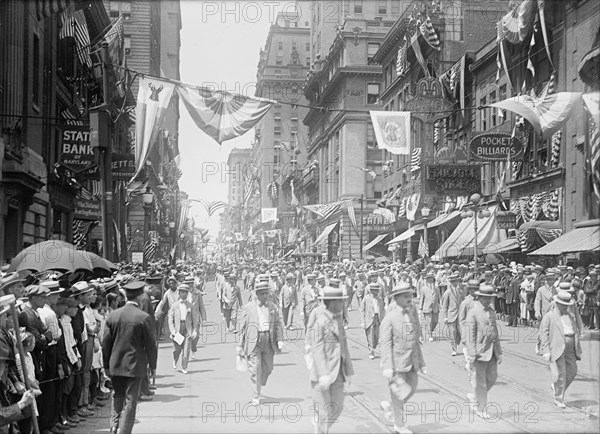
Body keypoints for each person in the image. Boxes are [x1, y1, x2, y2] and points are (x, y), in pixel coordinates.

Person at [102, 280, 157, 434]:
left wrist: (106, 365)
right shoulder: (143, 317)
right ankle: (124, 431)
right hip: (135, 365)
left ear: (125, 295)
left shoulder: (113, 315)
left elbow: (105, 343)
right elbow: (151, 344)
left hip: (115, 364)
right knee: (131, 400)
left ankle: (113, 426)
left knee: (117, 395)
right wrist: (153, 366)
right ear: (140, 297)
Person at [380, 282, 426, 434]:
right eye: (406, 296)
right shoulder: (390, 317)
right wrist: (387, 366)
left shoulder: (411, 313)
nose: (409, 298)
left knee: (411, 388)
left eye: (410, 295)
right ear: (396, 298)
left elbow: (414, 340)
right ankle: (399, 425)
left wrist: (421, 361)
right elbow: (385, 343)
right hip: (397, 362)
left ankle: (391, 407)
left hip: (412, 360)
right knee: (399, 394)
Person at [308, 284, 354, 434]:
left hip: (338, 373)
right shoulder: (319, 323)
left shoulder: (338, 320)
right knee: (323, 413)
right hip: (323, 375)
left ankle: (321, 426)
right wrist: (323, 374)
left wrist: (349, 370)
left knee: (338, 407)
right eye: (341, 301)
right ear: (333, 302)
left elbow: (344, 346)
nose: (343, 304)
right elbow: (317, 350)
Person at [237, 281, 284, 405]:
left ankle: (260, 384)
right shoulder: (248, 307)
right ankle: (255, 394)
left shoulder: (273, 307)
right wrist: (240, 345)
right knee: (255, 369)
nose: (265, 296)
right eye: (262, 293)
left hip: (269, 340)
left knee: (268, 368)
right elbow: (242, 326)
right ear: (256, 294)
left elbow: (278, 324)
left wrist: (280, 339)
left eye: (266, 293)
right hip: (254, 340)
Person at [464, 284, 503, 419]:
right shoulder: (473, 313)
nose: (488, 301)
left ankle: (475, 397)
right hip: (479, 352)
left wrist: (499, 351)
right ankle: (481, 408)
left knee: (492, 378)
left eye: (490, 298)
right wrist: (472, 352)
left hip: (491, 351)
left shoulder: (491, 311)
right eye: (485, 298)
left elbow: (495, 332)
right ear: (479, 297)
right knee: (481, 382)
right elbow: (469, 335)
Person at [539, 290, 582, 408]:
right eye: (563, 305)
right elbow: (544, 334)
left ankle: (556, 387)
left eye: (567, 305)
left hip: (570, 347)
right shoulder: (549, 316)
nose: (565, 307)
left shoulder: (570, 316)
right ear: (557, 304)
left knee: (572, 371)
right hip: (557, 347)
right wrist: (546, 350)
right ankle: (559, 398)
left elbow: (575, 330)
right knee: (561, 373)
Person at [167, 284, 198, 374]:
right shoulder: (174, 305)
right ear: (179, 293)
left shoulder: (190, 305)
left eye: (186, 292)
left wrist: (195, 330)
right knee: (177, 349)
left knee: (186, 348)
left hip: (187, 328)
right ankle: (175, 359)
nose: (184, 294)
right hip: (178, 328)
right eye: (182, 292)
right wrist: (172, 330)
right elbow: (170, 319)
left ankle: (184, 366)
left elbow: (194, 319)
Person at [441, 272, 464, 356]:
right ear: (450, 282)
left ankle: (457, 341)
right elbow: (445, 306)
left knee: (460, 332)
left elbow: (463, 302)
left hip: (460, 315)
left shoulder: (461, 291)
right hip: (451, 315)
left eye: (456, 281)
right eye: (453, 281)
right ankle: (454, 349)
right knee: (452, 332)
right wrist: (445, 317)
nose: (454, 283)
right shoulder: (447, 292)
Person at [360, 282, 385, 360]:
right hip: (369, 319)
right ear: (371, 290)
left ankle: (373, 347)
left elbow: (382, 309)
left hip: (378, 319)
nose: (377, 291)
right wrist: (362, 321)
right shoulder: (366, 298)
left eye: (378, 290)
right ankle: (371, 352)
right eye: (376, 290)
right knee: (370, 337)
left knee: (376, 337)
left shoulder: (379, 298)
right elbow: (362, 309)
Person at [418, 272, 440, 342]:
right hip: (427, 307)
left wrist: (441, 305)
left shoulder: (436, 288)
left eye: (431, 278)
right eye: (429, 278)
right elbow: (422, 299)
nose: (430, 280)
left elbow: (439, 297)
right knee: (429, 321)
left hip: (435, 307)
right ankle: (430, 335)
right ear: (426, 280)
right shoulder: (424, 289)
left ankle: (429, 330)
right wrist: (420, 308)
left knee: (435, 321)